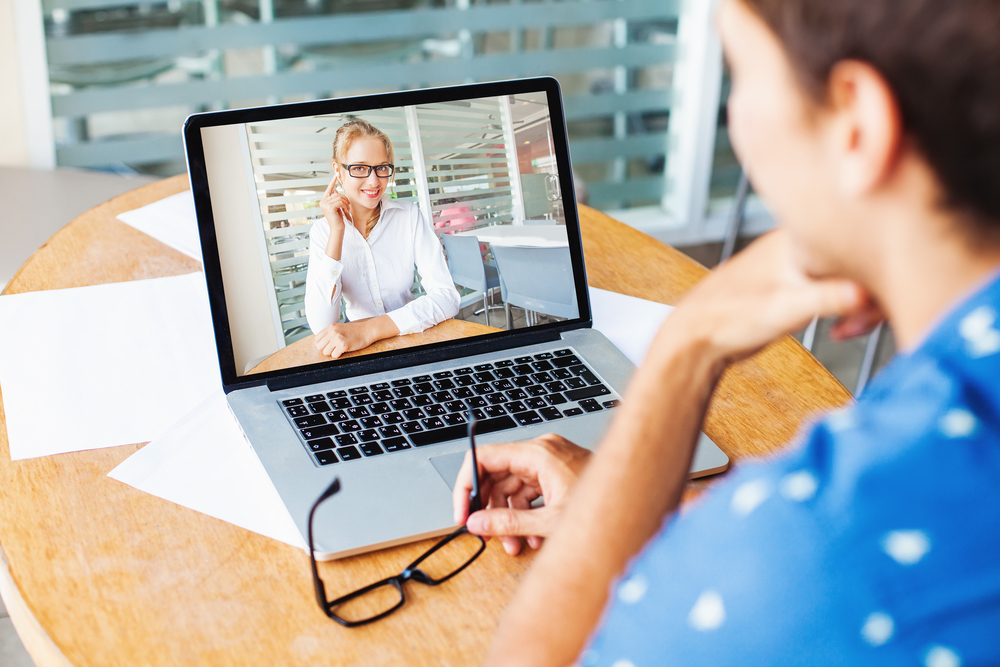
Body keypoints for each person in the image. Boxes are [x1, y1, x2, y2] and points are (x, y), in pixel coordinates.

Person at [452, 0, 1000, 664]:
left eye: (740, 72)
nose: (734, 122)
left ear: (858, 124)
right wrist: (638, 502)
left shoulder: (819, 545)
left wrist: (685, 348)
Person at [304, 119, 460, 358]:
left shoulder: (408, 216)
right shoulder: (323, 232)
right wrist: (337, 233)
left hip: (411, 334)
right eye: (359, 168)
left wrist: (370, 330)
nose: (374, 181)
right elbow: (322, 326)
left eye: (382, 167)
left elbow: (447, 297)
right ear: (338, 171)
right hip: (355, 350)